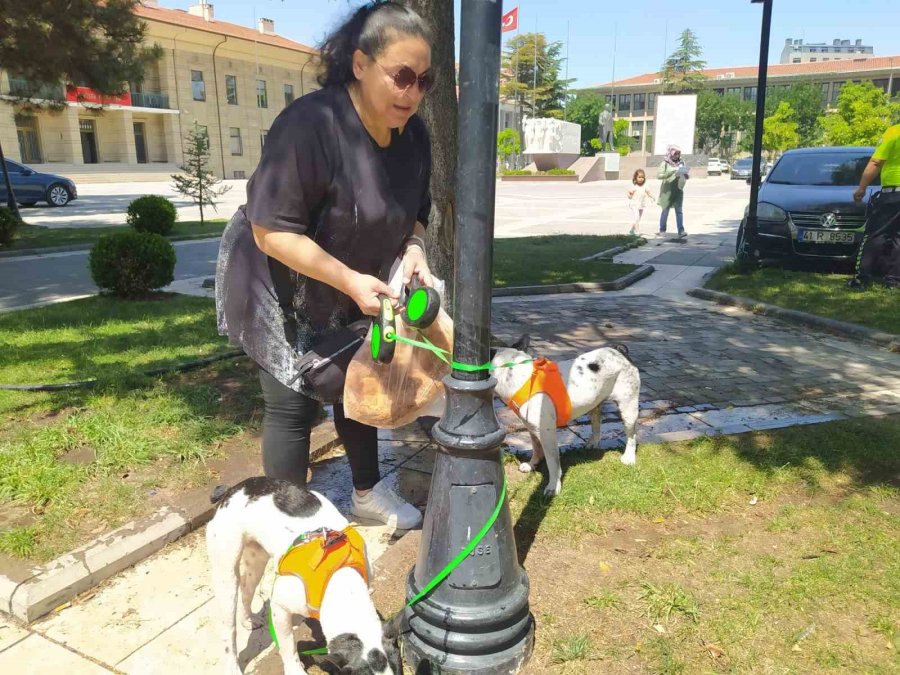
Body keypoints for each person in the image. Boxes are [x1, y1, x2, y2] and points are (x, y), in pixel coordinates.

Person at [215, 1, 436, 529]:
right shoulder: (310, 124)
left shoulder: (415, 137)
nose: (413, 93)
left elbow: (416, 217)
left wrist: (413, 252)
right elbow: (272, 231)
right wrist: (348, 279)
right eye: (401, 76)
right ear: (360, 64)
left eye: (424, 81)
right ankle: (291, 527)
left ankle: (365, 496)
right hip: (276, 280)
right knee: (293, 404)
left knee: (361, 380)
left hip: (351, 282)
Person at [849, 123, 900, 290]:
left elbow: (876, 162)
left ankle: (861, 278)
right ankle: (894, 281)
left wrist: (862, 187)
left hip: (893, 193)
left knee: (875, 235)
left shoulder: (895, 132)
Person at [657, 144, 689, 239]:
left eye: (678, 153)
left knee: (679, 211)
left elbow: (686, 175)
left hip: (678, 189)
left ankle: (681, 231)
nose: (677, 155)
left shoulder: (681, 162)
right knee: (665, 210)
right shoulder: (665, 163)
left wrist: (685, 174)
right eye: (675, 153)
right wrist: (672, 171)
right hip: (667, 190)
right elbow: (659, 176)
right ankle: (662, 230)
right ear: (671, 153)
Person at [626, 169, 655, 236]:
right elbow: (629, 194)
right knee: (636, 217)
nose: (641, 179)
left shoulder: (645, 186)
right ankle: (637, 231)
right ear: (635, 178)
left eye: (642, 177)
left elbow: (648, 192)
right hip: (634, 204)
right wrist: (630, 195)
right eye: (639, 177)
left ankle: (632, 230)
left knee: (638, 219)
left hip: (641, 205)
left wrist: (652, 197)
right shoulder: (634, 187)